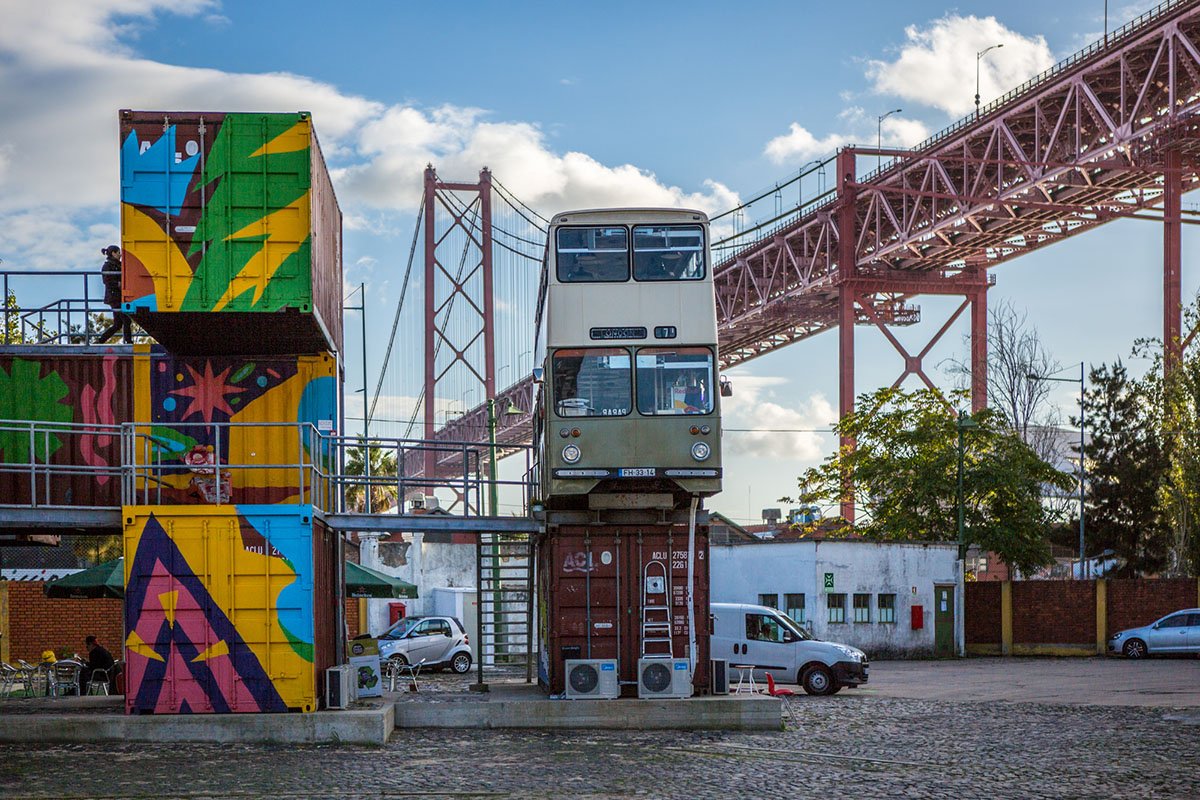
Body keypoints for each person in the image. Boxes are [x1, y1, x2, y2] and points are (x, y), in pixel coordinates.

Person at [96, 245, 132, 344]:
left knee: (118, 324)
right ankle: (128, 342)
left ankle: (100, 340)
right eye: (118, 252)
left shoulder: (118, 265)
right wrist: (118, 284)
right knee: (126, 320)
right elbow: (106, 280)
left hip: (118, 296)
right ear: (113, 253)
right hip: (114, 297)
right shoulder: (108, 266)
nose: (120, 255)